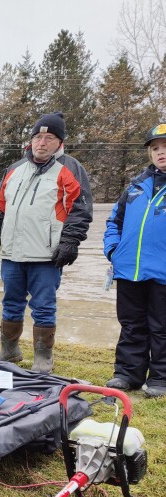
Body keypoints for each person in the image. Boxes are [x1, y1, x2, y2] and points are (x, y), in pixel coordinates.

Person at [0, 111, 93, 373]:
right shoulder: (14, 170)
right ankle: (10, 350)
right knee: (11, 302)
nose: (42, 143)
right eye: (38, 137)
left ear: (60, 142)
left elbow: (81, 210)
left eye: (50, 137)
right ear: (31, 140)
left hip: (46, 255)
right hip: (11, 253)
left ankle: (43, 357)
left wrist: (70, 242)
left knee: (43, 306)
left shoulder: (71, 169)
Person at [102, 123, 166, 397]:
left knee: (161, 328)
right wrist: (113, 250)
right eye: (155, 148)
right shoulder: (135, 187)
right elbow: (113, 222)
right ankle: (128, 373)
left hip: (162, 274)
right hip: (129, 271)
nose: (161, 153)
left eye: (165, 147)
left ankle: (161, 379)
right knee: (131, 325)